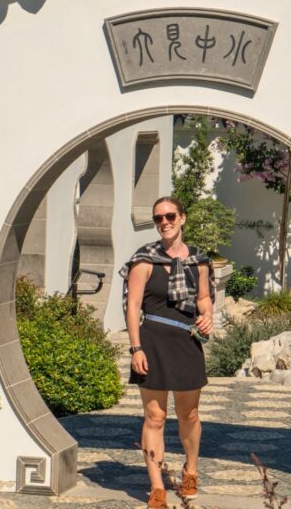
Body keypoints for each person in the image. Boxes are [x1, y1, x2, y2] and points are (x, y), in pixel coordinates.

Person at [119, 196, 215, 509]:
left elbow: (203, 298)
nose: (165, 222)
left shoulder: (199, 260)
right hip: (152, 343)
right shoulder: (144, 259)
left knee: (188, 414)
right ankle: (157, 487)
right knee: (154, 417)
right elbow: (133, 306)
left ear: (182, 218)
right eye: (158, 218)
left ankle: (191, 469)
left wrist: (208, 315)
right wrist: (135, 347)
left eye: (170, 215)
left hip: (187, 342)